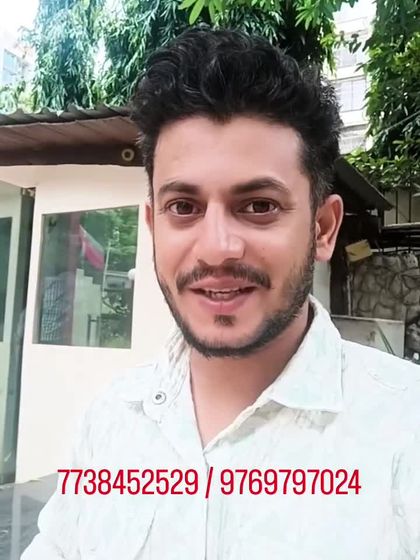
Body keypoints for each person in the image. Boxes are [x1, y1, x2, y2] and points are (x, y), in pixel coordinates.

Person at [22, 26, 420, 560]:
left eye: (258, 206)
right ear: (153, 227)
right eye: (183, 208)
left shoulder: (404, 430)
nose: (216, 249)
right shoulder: (110, 420)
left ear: (323, 229)